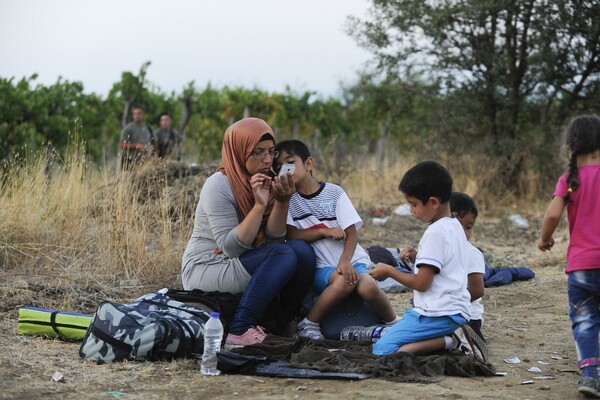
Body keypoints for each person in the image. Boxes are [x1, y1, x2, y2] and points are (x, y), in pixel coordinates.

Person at [181, 118, 316, 347]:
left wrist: (282, 201)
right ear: (239, 151)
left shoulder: (264, 181)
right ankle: (241, 328)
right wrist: (259, 206)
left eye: (271, 152)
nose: (266, 160)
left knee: (300, 251)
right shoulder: (219, 185)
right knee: (282, 254)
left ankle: (285, 322)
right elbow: (230, 247)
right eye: (258, 152)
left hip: (243, 260)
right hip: (208, 266)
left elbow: (274, 239)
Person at [274, 140, 399, 340]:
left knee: (366, 285)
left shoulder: (334, 193)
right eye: (280, 168)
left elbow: (351, 232)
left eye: (290, 164)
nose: (285, 171)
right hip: (322, 267)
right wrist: (323, 232)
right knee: (344, 282)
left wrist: (345, 261)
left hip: (352, 260)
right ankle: (310, 324)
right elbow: (291, 235)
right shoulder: (288, 200)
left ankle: (393, 322)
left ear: (308, 164)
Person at [368, 161, 481, 359]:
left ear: (434, 202)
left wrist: (388, 271)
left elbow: (421, 283)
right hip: (456, 311)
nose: (411, 210)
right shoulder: (454, 225)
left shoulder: (435, 232)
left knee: (383, 349)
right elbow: (444, 267)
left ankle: (452, 340)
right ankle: (449, 337)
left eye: (414, 204)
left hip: (439, 315)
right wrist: (417, 259)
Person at [538, 115, 600, 398]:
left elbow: (552, 214)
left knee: (585, 320)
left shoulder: (569, 181)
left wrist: (545, 239)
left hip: (582, 267)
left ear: (571, 145)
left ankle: (590, 375)